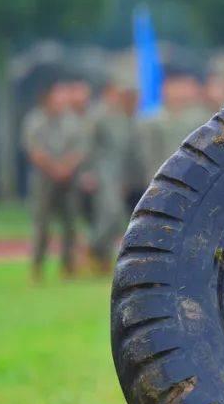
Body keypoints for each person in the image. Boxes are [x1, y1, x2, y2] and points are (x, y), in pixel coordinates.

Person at [21, 81, 89, 280]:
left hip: (69, 179)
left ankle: (68, 267)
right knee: (41, 224)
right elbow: (33, 150)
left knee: (70, 223)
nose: (63, 100)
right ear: (47, 97)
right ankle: (37, 267)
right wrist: (54, 168)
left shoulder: (72, 121)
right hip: (43, 180)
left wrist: (67, 167)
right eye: (59, 96)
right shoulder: (34, 120)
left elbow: (80, 149)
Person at [87, 76, 139, 273]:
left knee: (116, 215)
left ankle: (101, 255)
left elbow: (126, 151)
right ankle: (94, 247)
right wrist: (88, 173)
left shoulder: (123, 117)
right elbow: (89, 147)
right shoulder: (97, 116)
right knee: (110, 212)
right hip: (102, 171)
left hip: (118, 172)